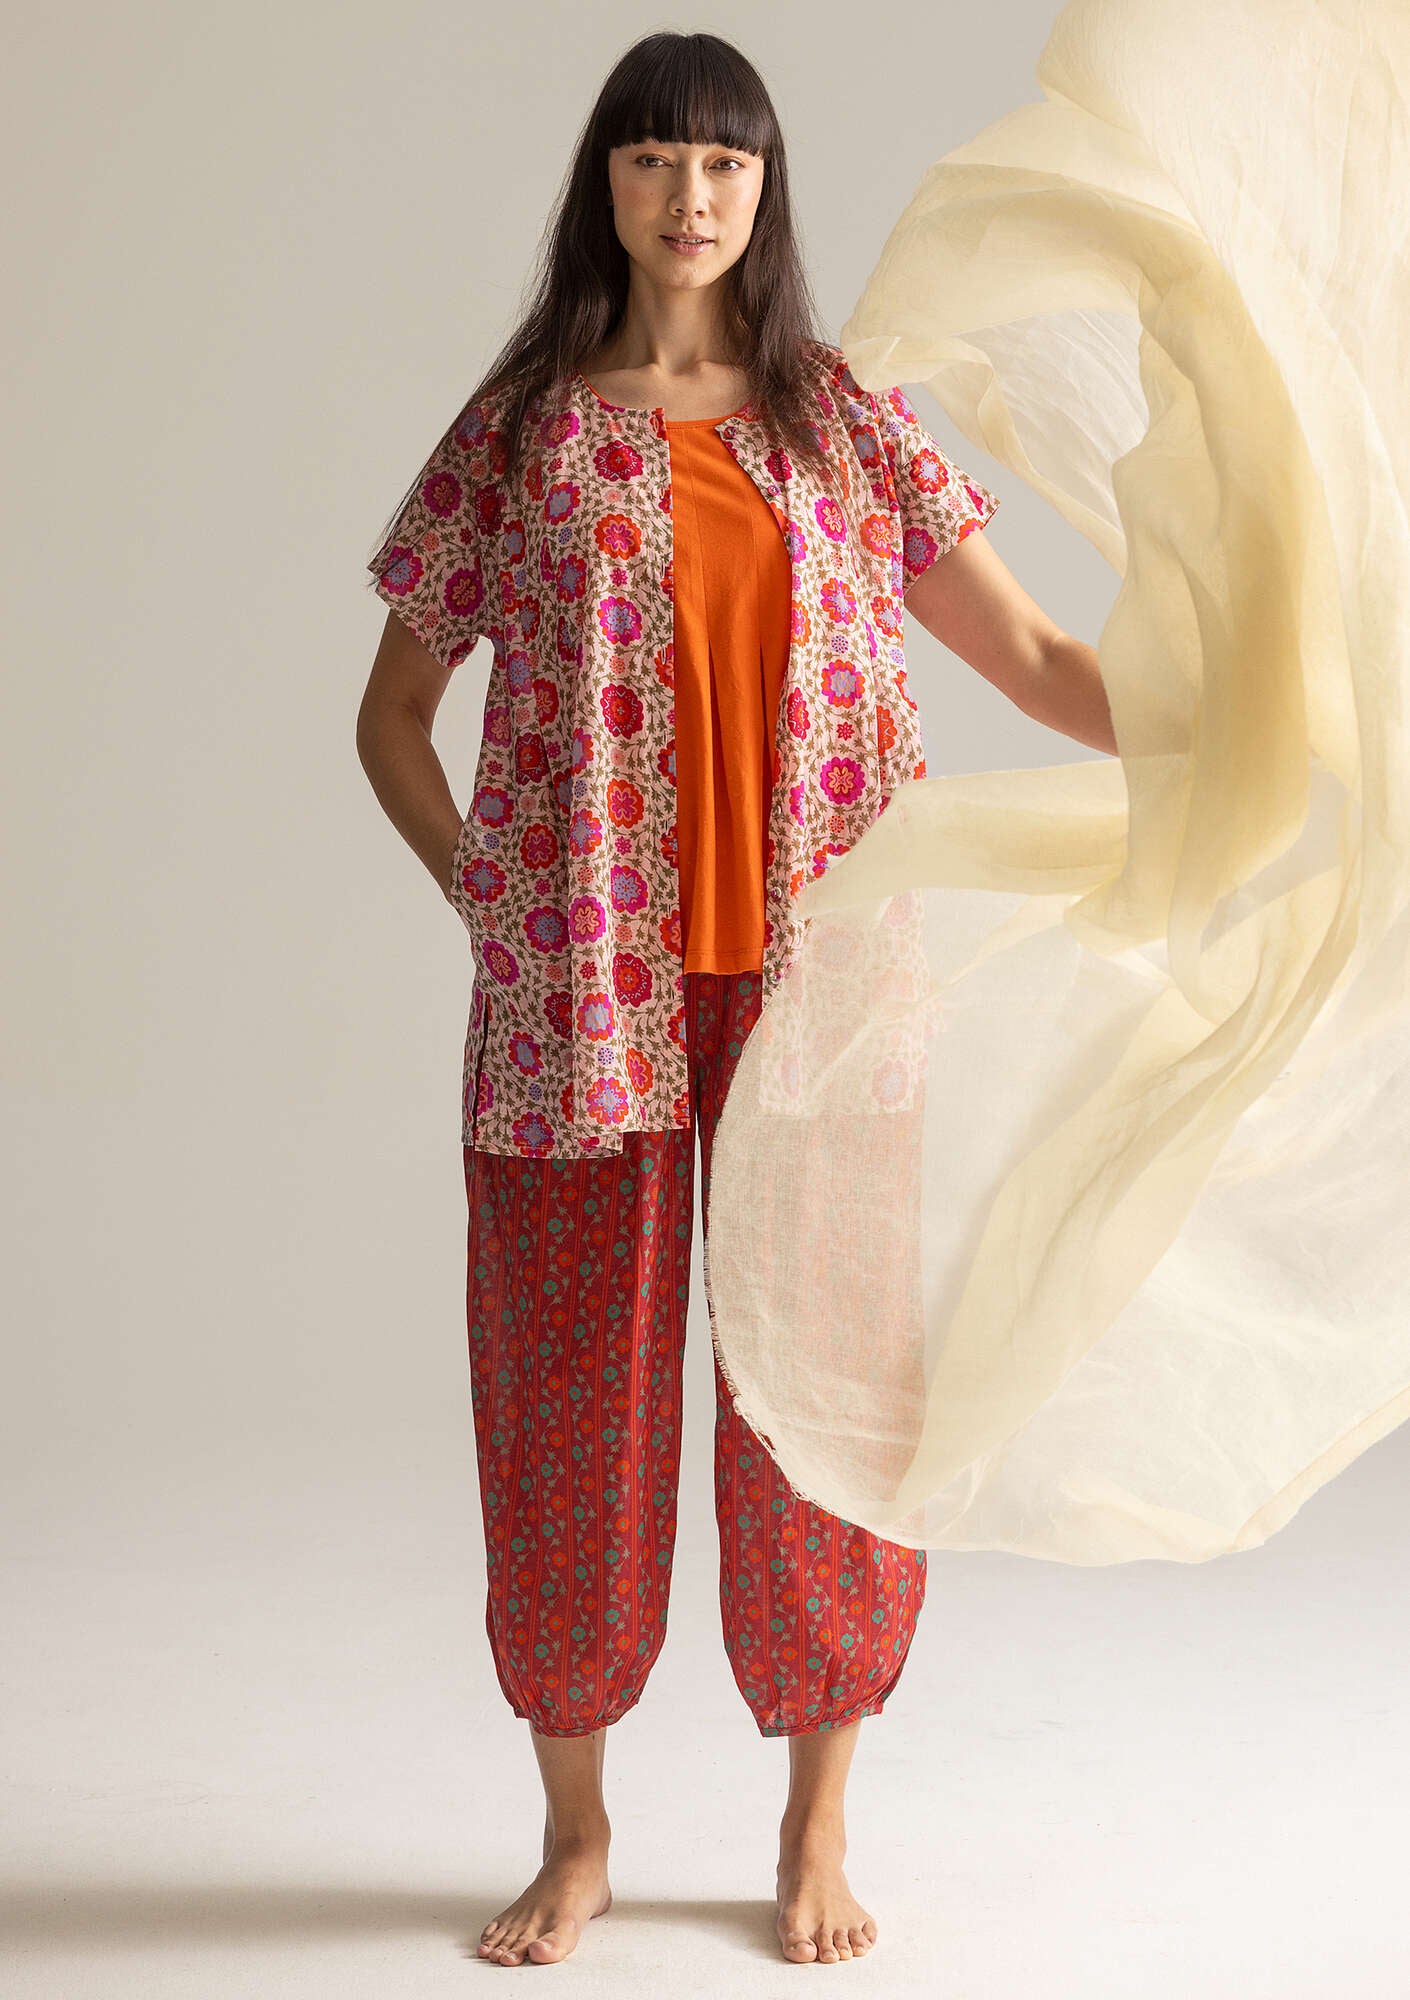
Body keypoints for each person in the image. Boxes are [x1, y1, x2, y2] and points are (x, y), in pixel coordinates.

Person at [356, 28, 1115, 1972]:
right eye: (652, 159)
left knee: (822, 1402)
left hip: (822, 992)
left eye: (723, 163)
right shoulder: (526, 428)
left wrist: (1248, 730)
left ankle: (816, 1823)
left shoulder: (843, 419)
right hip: (580, 1006)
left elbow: (1034, 655)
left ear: (764, 191)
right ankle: (578, 1834)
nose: (687, 196)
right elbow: (392, 714)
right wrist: (492, 899)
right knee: (566, 1408)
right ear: (602, 184)